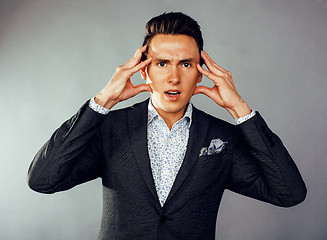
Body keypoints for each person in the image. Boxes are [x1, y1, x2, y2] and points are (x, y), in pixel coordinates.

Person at [28, 12, 306, 240]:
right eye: (162, 63)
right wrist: (103, 101)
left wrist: (239, 109)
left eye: (186, 64)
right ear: (144, 70)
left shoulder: (223, 137)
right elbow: (43, 179)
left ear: (200, 72)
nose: (174, 77)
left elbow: (289, 193)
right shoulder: (109, 128)